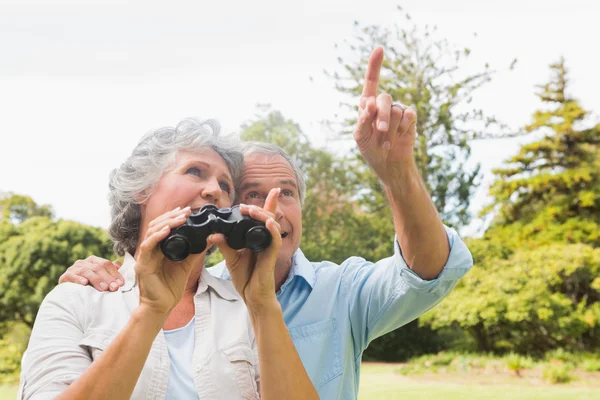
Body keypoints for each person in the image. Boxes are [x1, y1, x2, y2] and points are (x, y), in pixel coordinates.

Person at [59, 48, 474, 399]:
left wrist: (397, 173)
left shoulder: (341, 290)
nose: (273, 209)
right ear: (221, 215)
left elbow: (427, 270)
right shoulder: (200, 295)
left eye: (287, 192)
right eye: (251, 195)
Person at [18, 118, 318, 400]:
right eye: (195, 171)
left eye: (225, 186)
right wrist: (150, 311)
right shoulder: (76, 301)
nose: (214, 190)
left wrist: (263, 306)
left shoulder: (245, 309)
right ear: (142, 189)